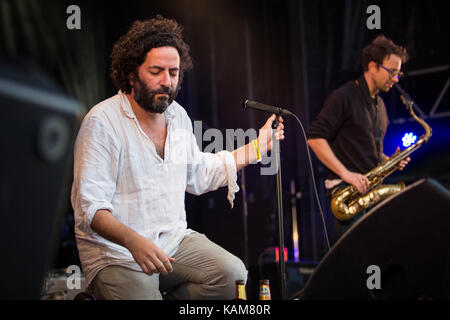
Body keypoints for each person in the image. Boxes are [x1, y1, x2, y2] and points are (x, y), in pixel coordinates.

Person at [71, 15, 285, 300]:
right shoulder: (102, 121)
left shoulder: (177, 115)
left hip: (172, 242)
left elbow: (199, 174)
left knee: (232, 276)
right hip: (117, 253)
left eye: (173, 73)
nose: (166, 81)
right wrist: (134, 242)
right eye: (156, 71)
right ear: (131, 73)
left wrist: (258, 147)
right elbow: (90, 209)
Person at [307, 35, 410, 245]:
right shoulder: (344, 96)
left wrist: (388, 160)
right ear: (373, 67)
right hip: (346, 194)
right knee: (354, 264)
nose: (396, 79)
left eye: (399, 74)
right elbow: (315, 138)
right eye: (392, 72)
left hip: (368, 191)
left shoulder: (380, 105)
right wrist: (348, 174)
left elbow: (364, 149)